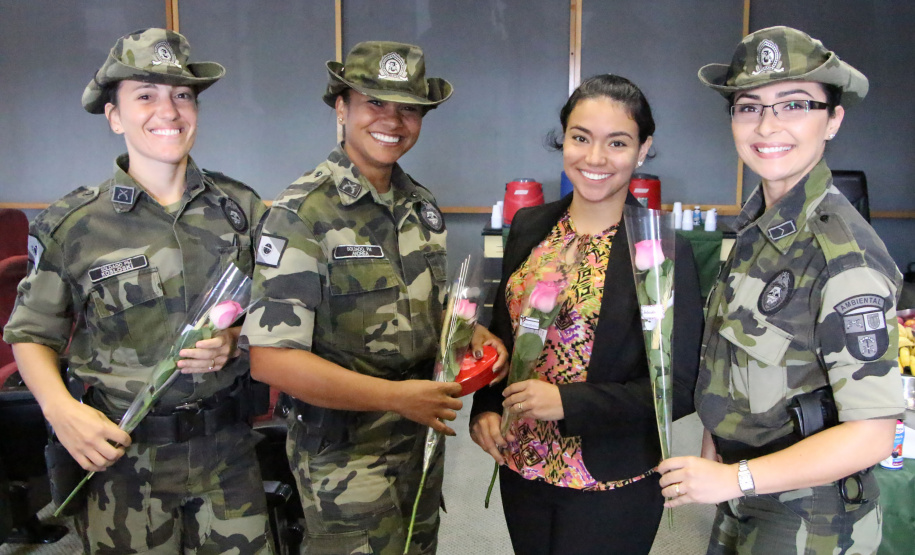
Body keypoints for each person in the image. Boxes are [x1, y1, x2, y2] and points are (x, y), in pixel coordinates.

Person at [3, 28, 272, 553]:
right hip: (124, 462)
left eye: (182, 95)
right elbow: (31, 333)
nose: (168, 111)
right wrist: (61, 411)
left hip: (227, 453)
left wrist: (236, 337)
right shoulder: (77, 224)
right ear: (115, 116)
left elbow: (279, 307)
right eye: (145, 95)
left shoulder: (240, 209)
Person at [241, 41, 507, 555]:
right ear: (342, 108)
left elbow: (423, 310)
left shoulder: (420, 205)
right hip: (343, 455)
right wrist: (395, 397)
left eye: (409, 108)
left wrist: (469, 332)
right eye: (375, 103)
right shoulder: (303, 212)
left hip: (418, 438)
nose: (393, 120)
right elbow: (270, 359)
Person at [658, 26, 905, 554]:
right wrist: (719, 447)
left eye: (794, 104)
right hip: (747, 491)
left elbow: (873, 434)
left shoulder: (843, 255)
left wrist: (735, 478)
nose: (767, 125)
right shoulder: (758, 229)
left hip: (811, 515)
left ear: (833, 119)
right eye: (749, 107)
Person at [470, 74, 704, 555]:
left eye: (617, 142)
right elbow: (502, 337)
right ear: (564, 140)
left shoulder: (661, 251)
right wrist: (487, 407)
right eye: (580, 138)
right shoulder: (531, 226)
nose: (594, 158)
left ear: (643, 149)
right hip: (523, 466)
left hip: (610, 482)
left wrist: (568, 402)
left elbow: (678, 388)